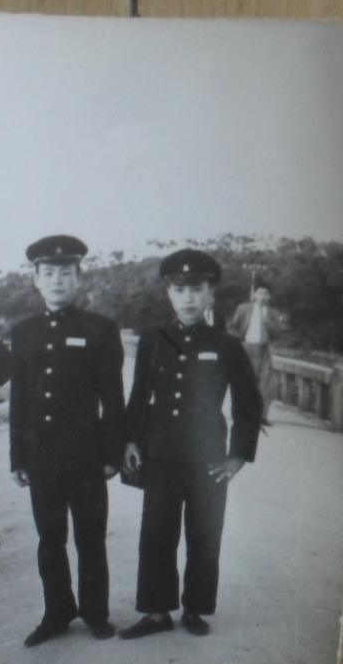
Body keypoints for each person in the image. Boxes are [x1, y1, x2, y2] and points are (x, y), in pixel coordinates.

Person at [119, 249, 263, 639]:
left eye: (197, 289)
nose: (188, 298)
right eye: (180, 290)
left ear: (210, 295)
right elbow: (138, 395)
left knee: (204, 534)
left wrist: (238, 455)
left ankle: (195, 608)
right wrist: (130, 440)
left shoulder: (227, 345)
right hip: (161, 453)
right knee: (156, 536)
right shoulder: (153, 339)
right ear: (169, 294)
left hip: (208, 457)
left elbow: (249, 402)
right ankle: (156, 612)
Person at [9, 236, 126, 647]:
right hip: (41, 456)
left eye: (65, 273)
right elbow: (19, 399)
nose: (57, 280)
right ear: (36, 280)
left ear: (79, 279)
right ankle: (57, 612)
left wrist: (112, 453)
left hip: (86, 455)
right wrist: (17, 457)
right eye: (49, 273)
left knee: (90, 539)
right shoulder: (22, 333)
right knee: (50, 540)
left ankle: (95, 612)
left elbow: (113, 397)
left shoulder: (100, 329)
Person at [227, 281, 285, 425]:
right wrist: (238, 342)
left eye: (266, 294)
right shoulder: (243, 308)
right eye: (260, 293)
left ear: (270, 297)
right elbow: (232, 327)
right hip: (247, 347)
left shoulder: (273, 313)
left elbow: (278, 334)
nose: (263, 297)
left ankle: (261, 416)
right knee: (245, 382)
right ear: (254, 295)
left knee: (266, 385)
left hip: (264, 349)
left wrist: (268, 322)